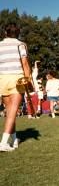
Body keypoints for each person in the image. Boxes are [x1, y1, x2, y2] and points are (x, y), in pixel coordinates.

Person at [0, 23, 32, 151]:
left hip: (2, 79)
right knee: (13, 110)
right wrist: (28, 80)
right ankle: (3, 142)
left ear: (5, 33)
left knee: (10, 111)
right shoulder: (20, 45)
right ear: (18, 33)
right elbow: (24, 63)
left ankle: (14, 141)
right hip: (17, 79)